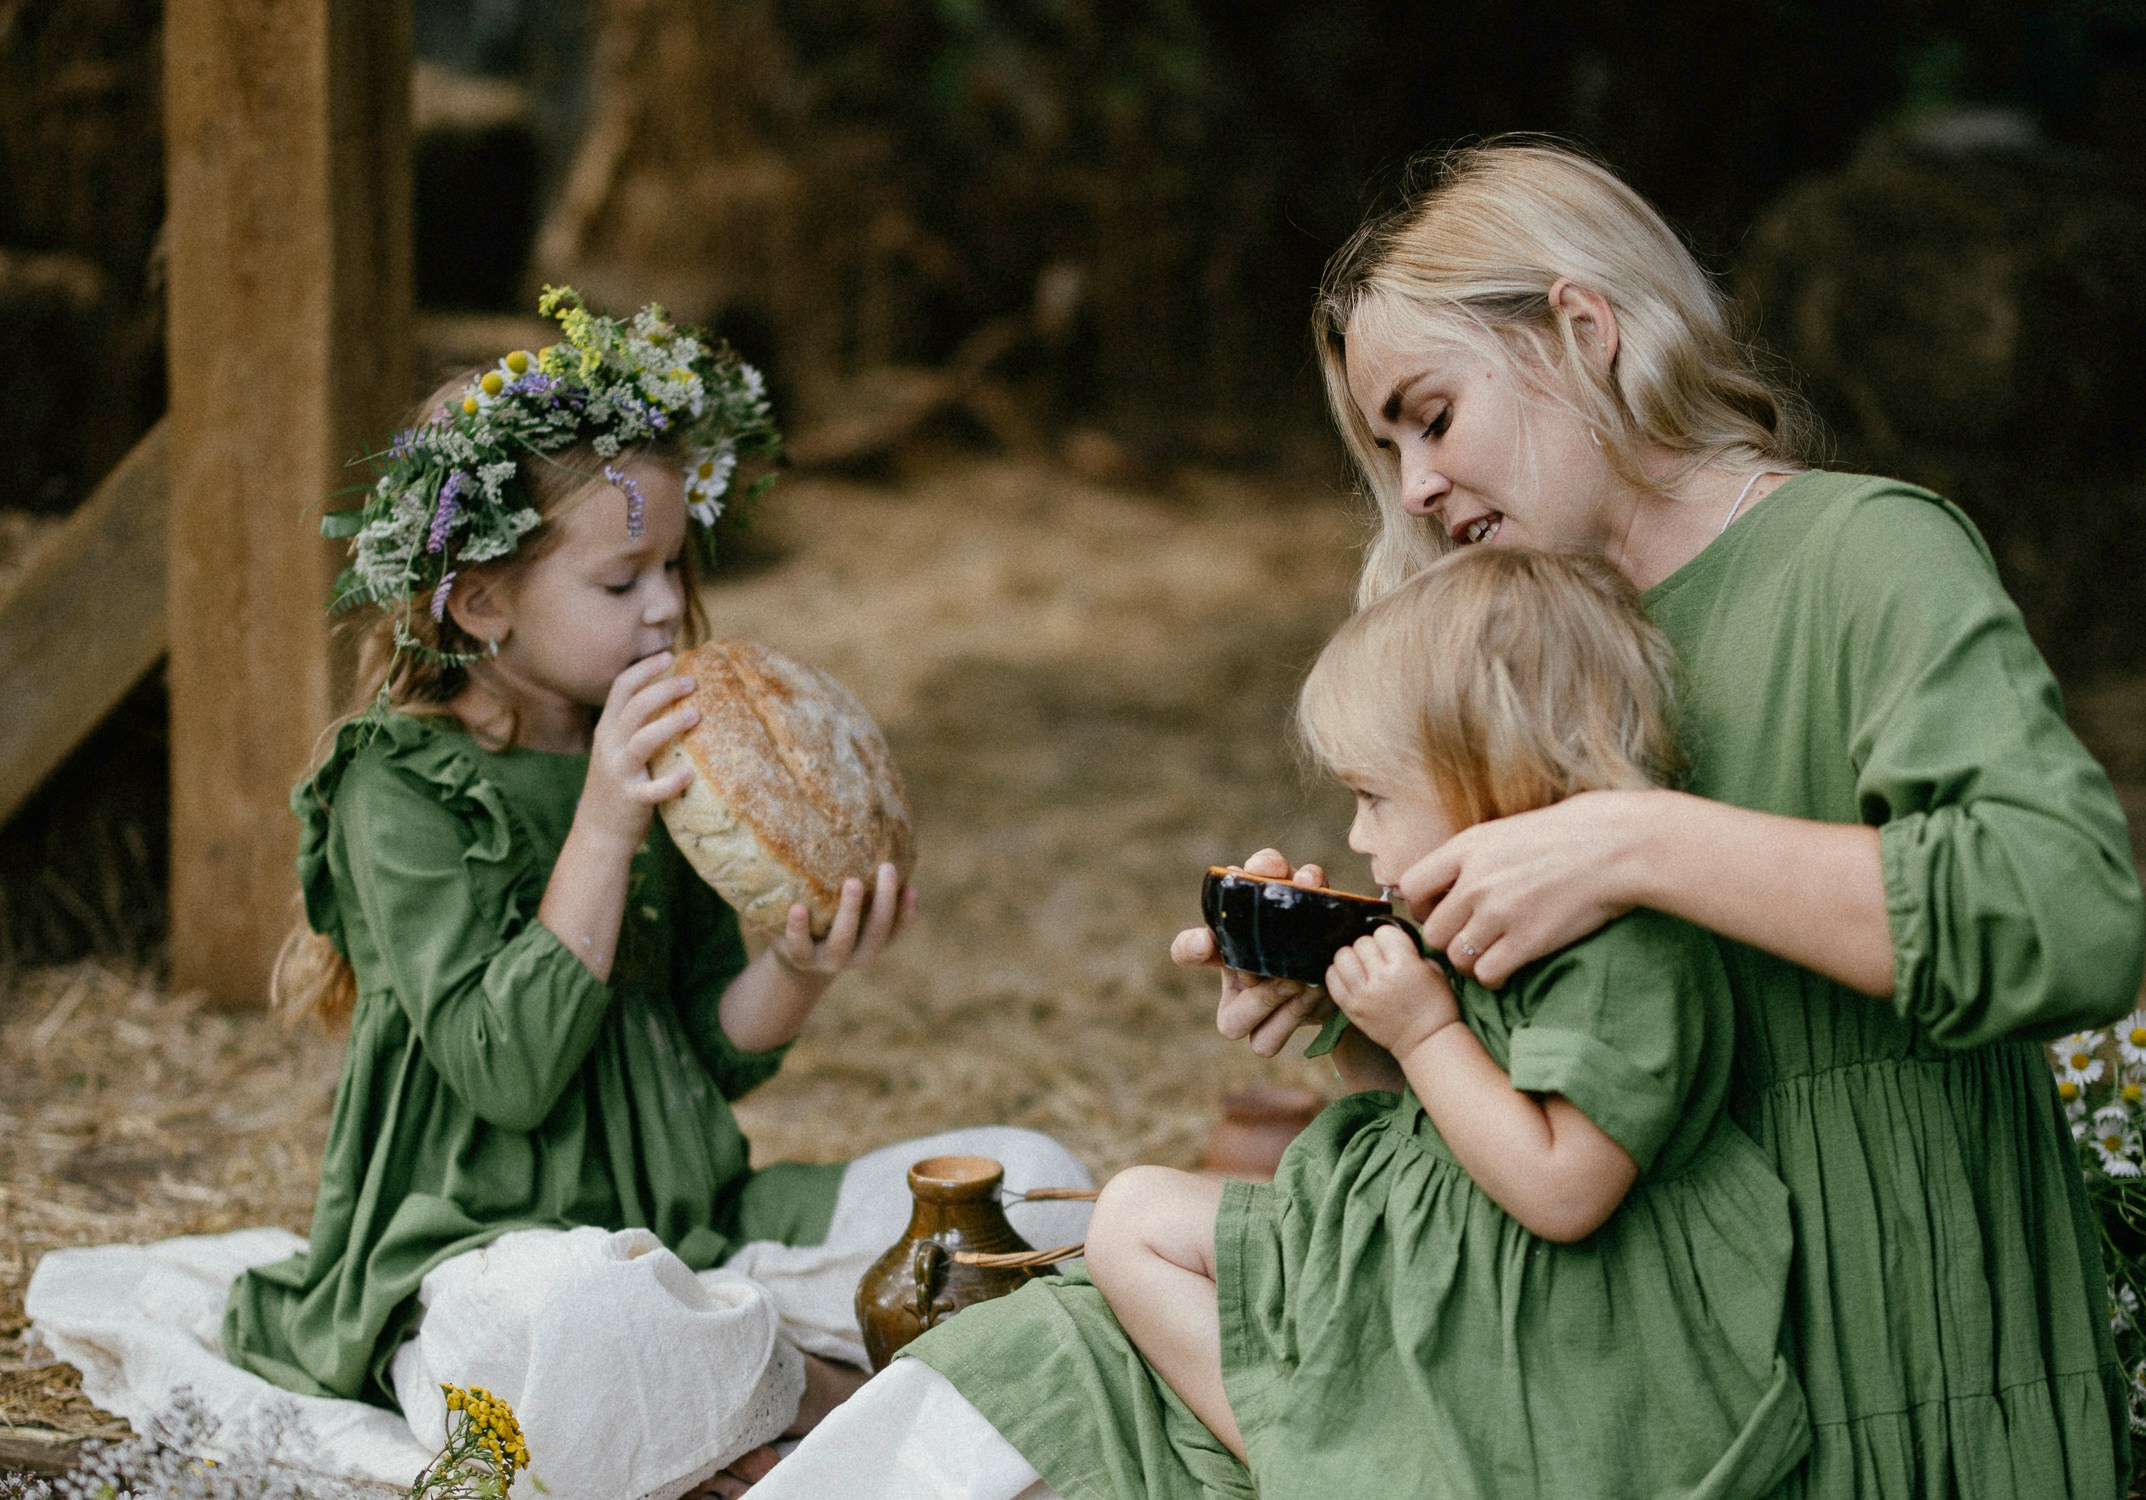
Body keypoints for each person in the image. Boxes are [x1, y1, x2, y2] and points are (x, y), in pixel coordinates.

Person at [752, 137, 2146, 1499]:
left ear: (1582, 331)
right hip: (1555, 1321)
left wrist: (1635, 843)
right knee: (1039, 1354)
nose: (1413, 484)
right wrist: (1374, 1007)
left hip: (1849, 1323)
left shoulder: (1861, 555)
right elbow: (1561, 1084)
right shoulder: (1523, 651)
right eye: (1385, 443)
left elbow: (2070, 916)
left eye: (1431, 413)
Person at [217, 291, 1093, 1500]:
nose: (669, 608)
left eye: (673, 566)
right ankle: (850, 1401)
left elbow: (701, 1049)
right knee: (589, 1319)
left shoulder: (668, 757)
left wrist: (799, 965)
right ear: (481, 601)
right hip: (481, 1251)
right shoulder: (398, 787)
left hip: (699, 1222)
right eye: (622, 578)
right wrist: (603, 820)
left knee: (1033, 1180)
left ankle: (754, 1402)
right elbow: (505, 1069)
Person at [1069, 545, 1809, 1497]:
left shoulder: (1631, 955)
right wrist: (1343, 1015)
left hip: (1540, 1326)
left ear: (1496, 775)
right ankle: (1320, 1459)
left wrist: (1424, 1030)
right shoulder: (1459, 914)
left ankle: (1335, 1466)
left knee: (1136, 1221)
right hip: (1429, 1257)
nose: (1357, 835)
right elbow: (1427, 1118)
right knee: (1130, 1218)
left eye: (1375, 798)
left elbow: (1561, 1190)